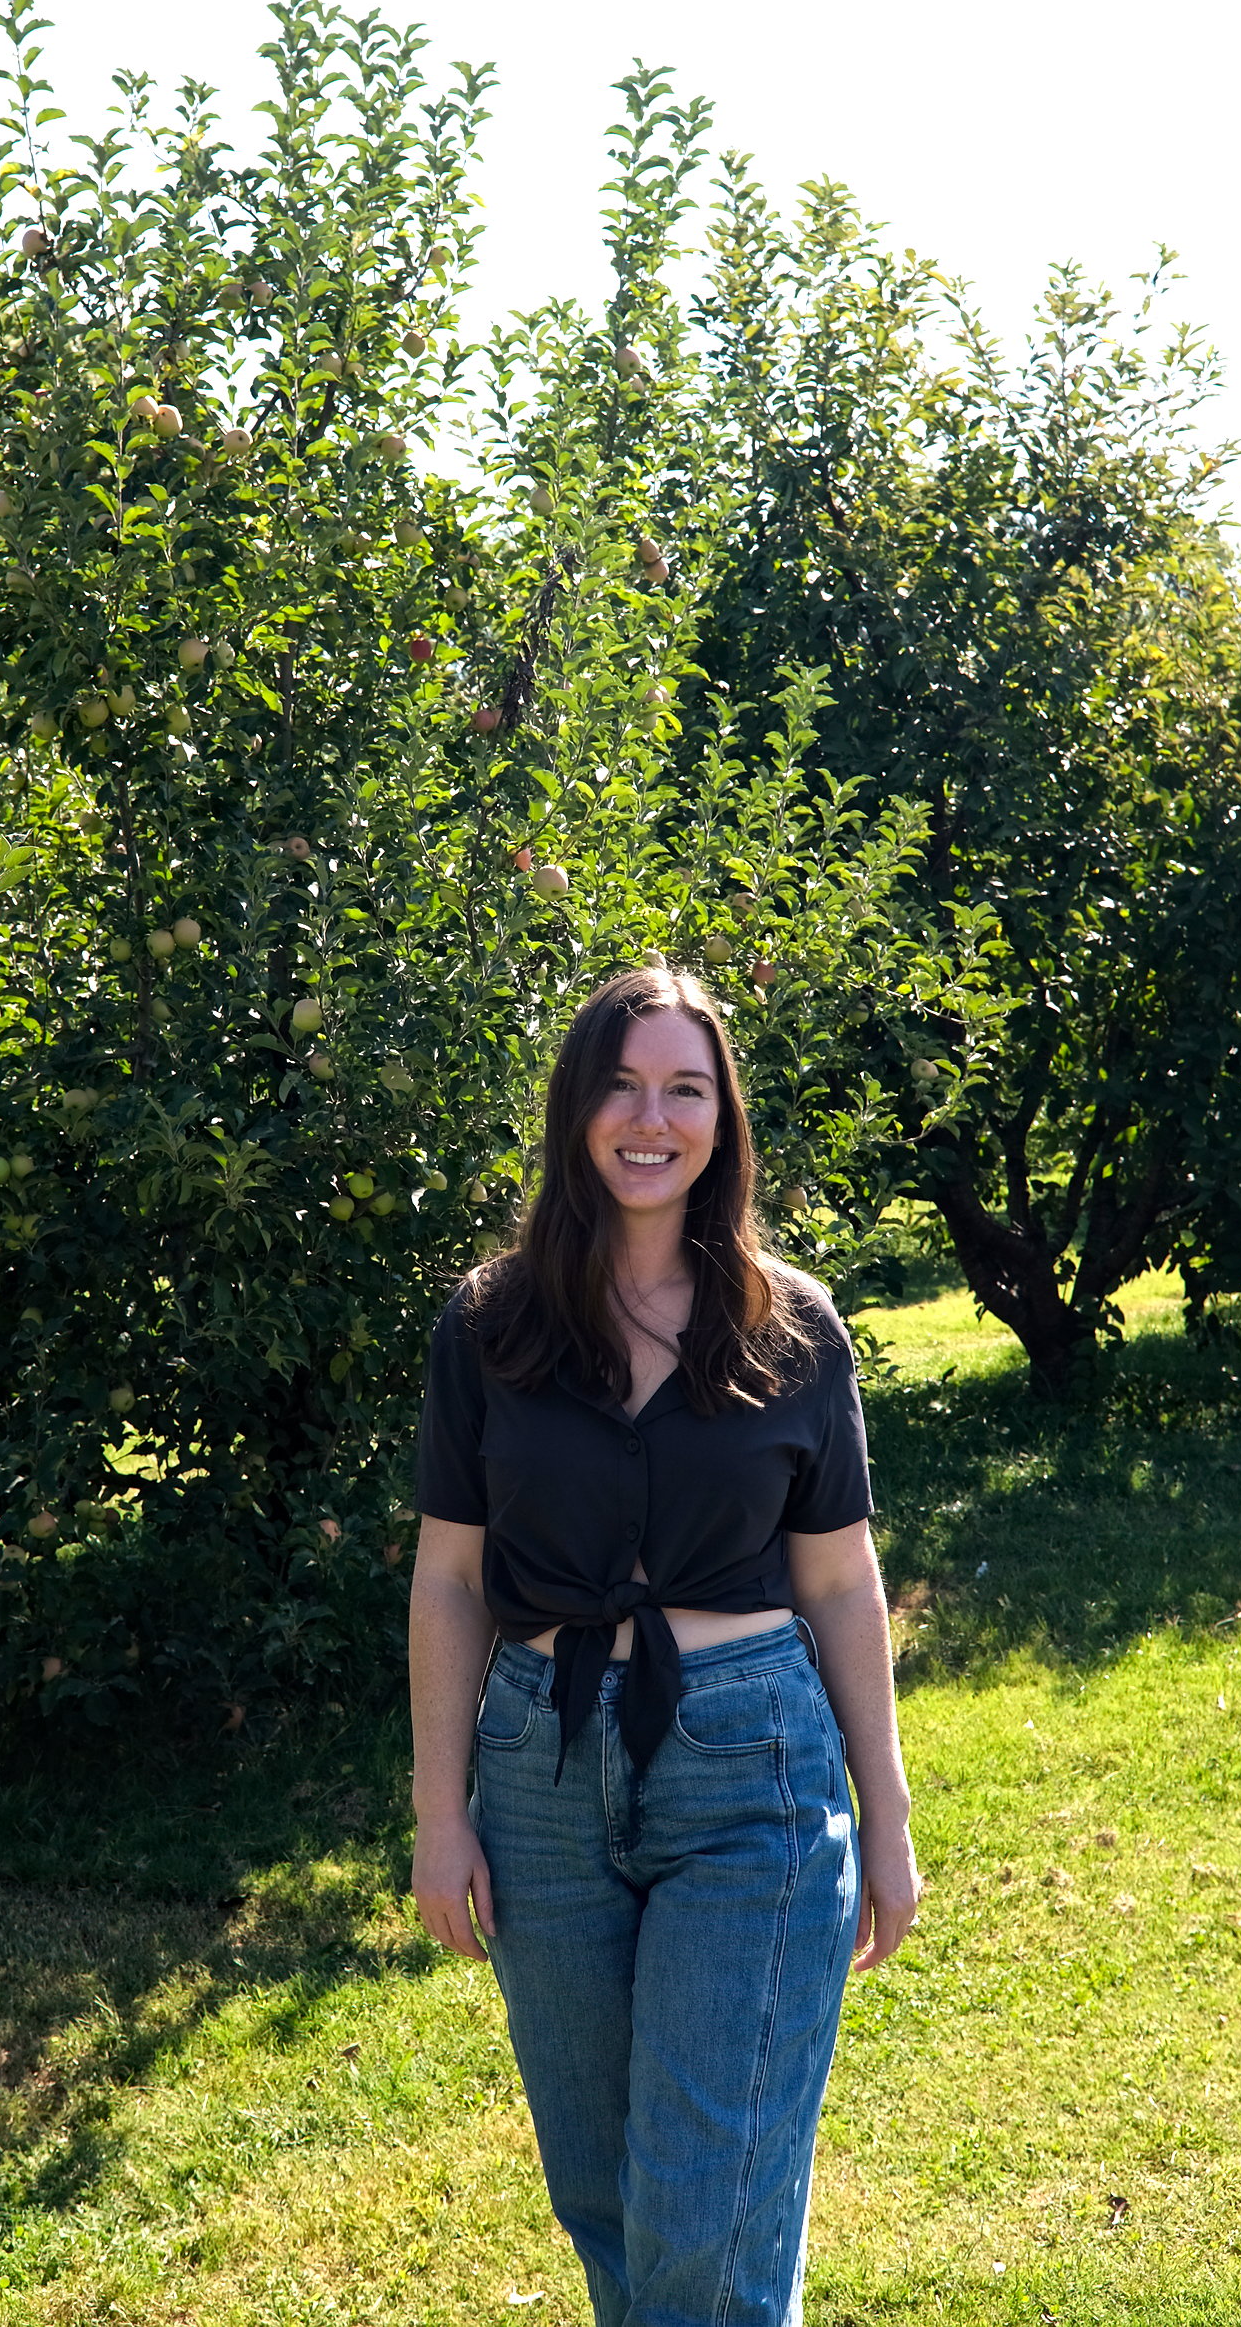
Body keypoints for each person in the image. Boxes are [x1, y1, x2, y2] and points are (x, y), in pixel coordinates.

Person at [408, 963, 920, 2327]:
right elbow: (450, 1579)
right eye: (621, 1085)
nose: (652, 1117)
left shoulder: (791, 1325)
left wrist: (887, 1814)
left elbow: (838, 1579)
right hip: (536, 1763)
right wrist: (439, 1812)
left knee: (706, 2207)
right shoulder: (487, 1322)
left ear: (720, 1120)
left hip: (749, 1763)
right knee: (604, 2197)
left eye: (683, 1088)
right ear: (577, 1110)